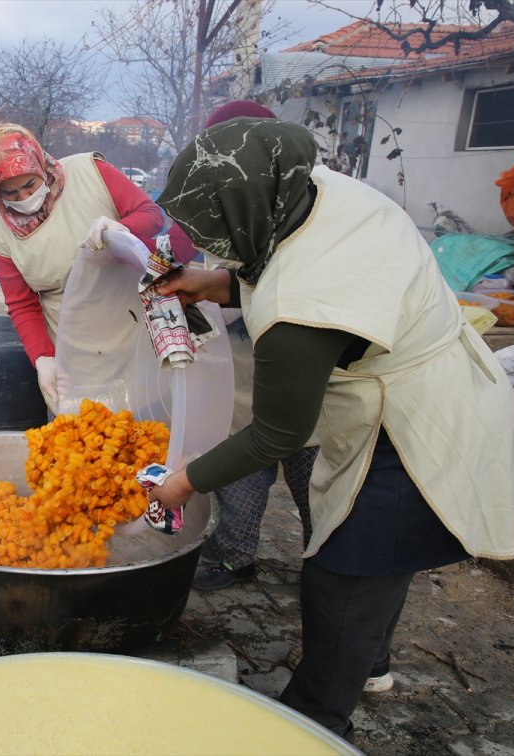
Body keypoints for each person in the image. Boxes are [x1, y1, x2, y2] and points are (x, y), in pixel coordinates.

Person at [145, 116, 514, 741]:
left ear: (248, 207)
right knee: (386, 557)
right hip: (444, 385)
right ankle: (368, 663)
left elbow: (276, 438)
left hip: (414, 426)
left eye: (217, 231)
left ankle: (315, 721)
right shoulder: (317, 191)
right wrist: (214, 283)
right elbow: (286, 253)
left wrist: (184, 483)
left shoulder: (300, 311)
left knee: (346, 571)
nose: (213, 243)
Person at [186, 100, 318, 592]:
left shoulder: (305, 213)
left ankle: (326, 568)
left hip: (310, 392)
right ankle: (234, 556)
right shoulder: (216, 209)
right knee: (240, 483)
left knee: (317, 490)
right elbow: (192, 274)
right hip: (242, 386)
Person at [0, 122, 195, 412]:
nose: (24, 198)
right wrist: (43, 358)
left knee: (147, 428)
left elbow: (152, 216)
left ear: (41, 165)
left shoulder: (90, 172)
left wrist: (120, 228)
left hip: (134, 330)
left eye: (30, 184)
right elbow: (22, 305)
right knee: (82, 437)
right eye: (11, 193)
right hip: (75, 351)